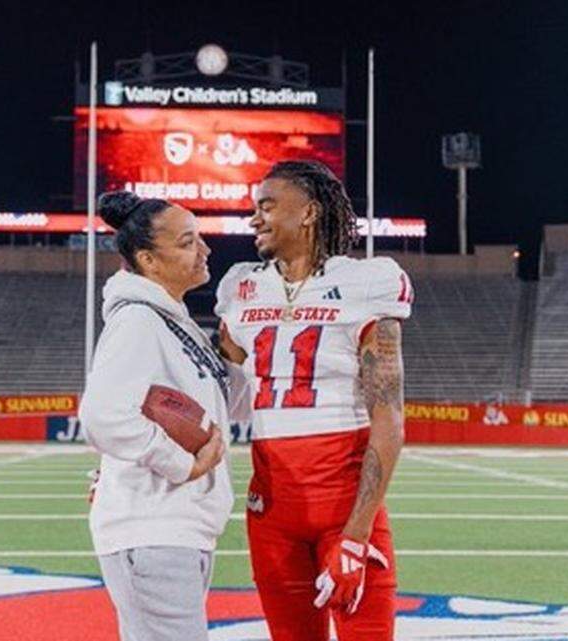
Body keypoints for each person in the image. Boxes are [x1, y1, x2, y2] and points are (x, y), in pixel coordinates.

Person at [215, 160, 413, 641]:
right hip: (271, 506)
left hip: (343, 502)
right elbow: (215, 388)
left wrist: (357, 533)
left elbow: (389, 419)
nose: (254, 218)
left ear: (308, 212)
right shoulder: (240, 286)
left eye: (267, 206)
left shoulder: (367, 283)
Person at [79, 190, 235, 641]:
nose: (204, 250)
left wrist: (237, 361)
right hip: (154, 529)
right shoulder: (139, 321)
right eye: (187, 242)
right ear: (148, 260)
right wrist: (181, 464)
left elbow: (218, 413)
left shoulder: (173, 321)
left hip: (175, 530)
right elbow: (103, 414)